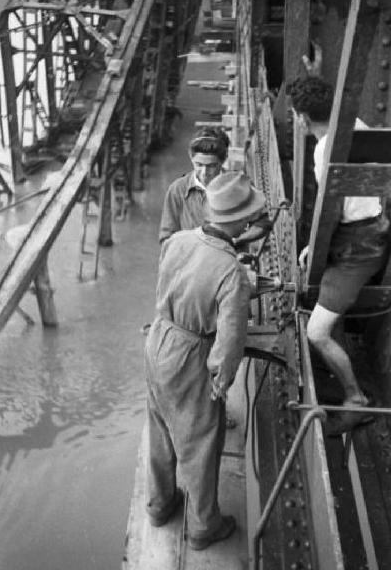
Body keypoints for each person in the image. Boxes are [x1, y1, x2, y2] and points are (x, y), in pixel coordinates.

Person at [145, 172, 266, 549]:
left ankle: (160, 504)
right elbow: (230, 341)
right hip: (191, 352)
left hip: (159, 338)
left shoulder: (179, 240)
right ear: (242, 222)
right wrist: (221, 380)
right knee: (199, 439)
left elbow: (172, 283)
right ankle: (203, 526)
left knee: (161, 427)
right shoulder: (231, 270)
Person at [288, 75, 389, 435]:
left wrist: (313, 250)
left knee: (316, 332)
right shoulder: (357, 126)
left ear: (301, 118)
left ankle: (355, 400)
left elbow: (332, 214)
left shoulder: (323, 151)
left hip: (357, 249)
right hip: (375, 230)